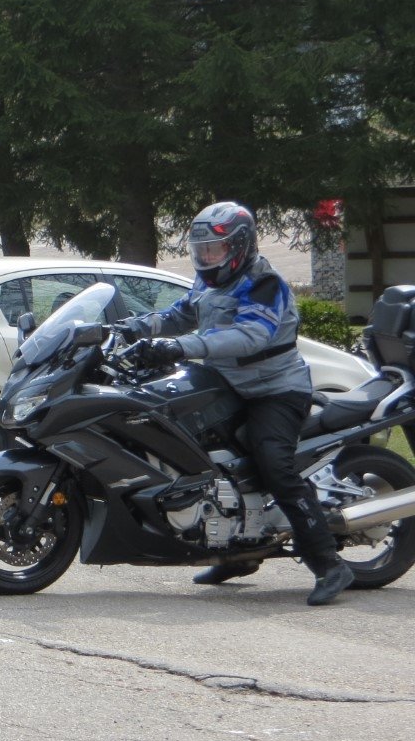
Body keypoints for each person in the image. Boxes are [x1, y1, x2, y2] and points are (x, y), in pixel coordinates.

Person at [114, 200, 353, 606]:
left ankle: (329, 564)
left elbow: (249, 336)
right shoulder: (207, 283)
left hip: (275, 391)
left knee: (274, 464)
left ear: (240, 246)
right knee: (199, 457)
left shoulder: (265, 284)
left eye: (215, 250)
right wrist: (135, 328)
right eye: (202, 250)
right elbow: (180, 314)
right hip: (225, 384)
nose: (207, 258)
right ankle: (234, 553)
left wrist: (181, 347)